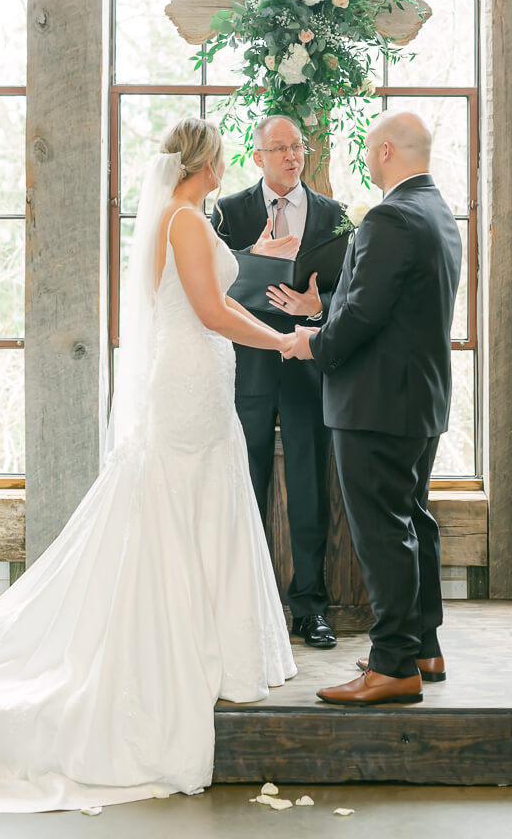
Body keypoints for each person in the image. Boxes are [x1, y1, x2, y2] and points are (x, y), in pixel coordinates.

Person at [0, 118, 296, 811]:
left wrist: (255, 259)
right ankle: (188, 650)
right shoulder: (186, 221)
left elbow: (212, 294)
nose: (229, 164)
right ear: (205, 161)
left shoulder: (181, 216)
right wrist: (285, 342)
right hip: (190, 379)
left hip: (195, 376)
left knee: (197, 500)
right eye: (223, 154)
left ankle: (210, 642)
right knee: (188, 498)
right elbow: (212, 310)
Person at [284, 112, 461, 706]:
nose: (365, 156)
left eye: (366, 148)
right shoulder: (437, 211)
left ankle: (392, 666)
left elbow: (364, 316)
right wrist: (323, 304)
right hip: (419, 398)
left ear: (386, 149)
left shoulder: (389, 216)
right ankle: (422, 645)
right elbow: (385, 300)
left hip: (375, 404)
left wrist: (313, 341)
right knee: (413, 521)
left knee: (383, 531)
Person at [211, 114, 347, 650]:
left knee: (310, 489)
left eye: (298, 147)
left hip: (307, 364)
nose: (293, 156)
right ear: (258, 156)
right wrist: (253, 262)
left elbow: (352, 291)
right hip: (246, 366)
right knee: (248, 482)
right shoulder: (228, 212)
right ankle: (251, 607)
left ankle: (310, 607)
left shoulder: (334, 215)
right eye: (280, 148)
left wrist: (321, 304)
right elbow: (210, 286)